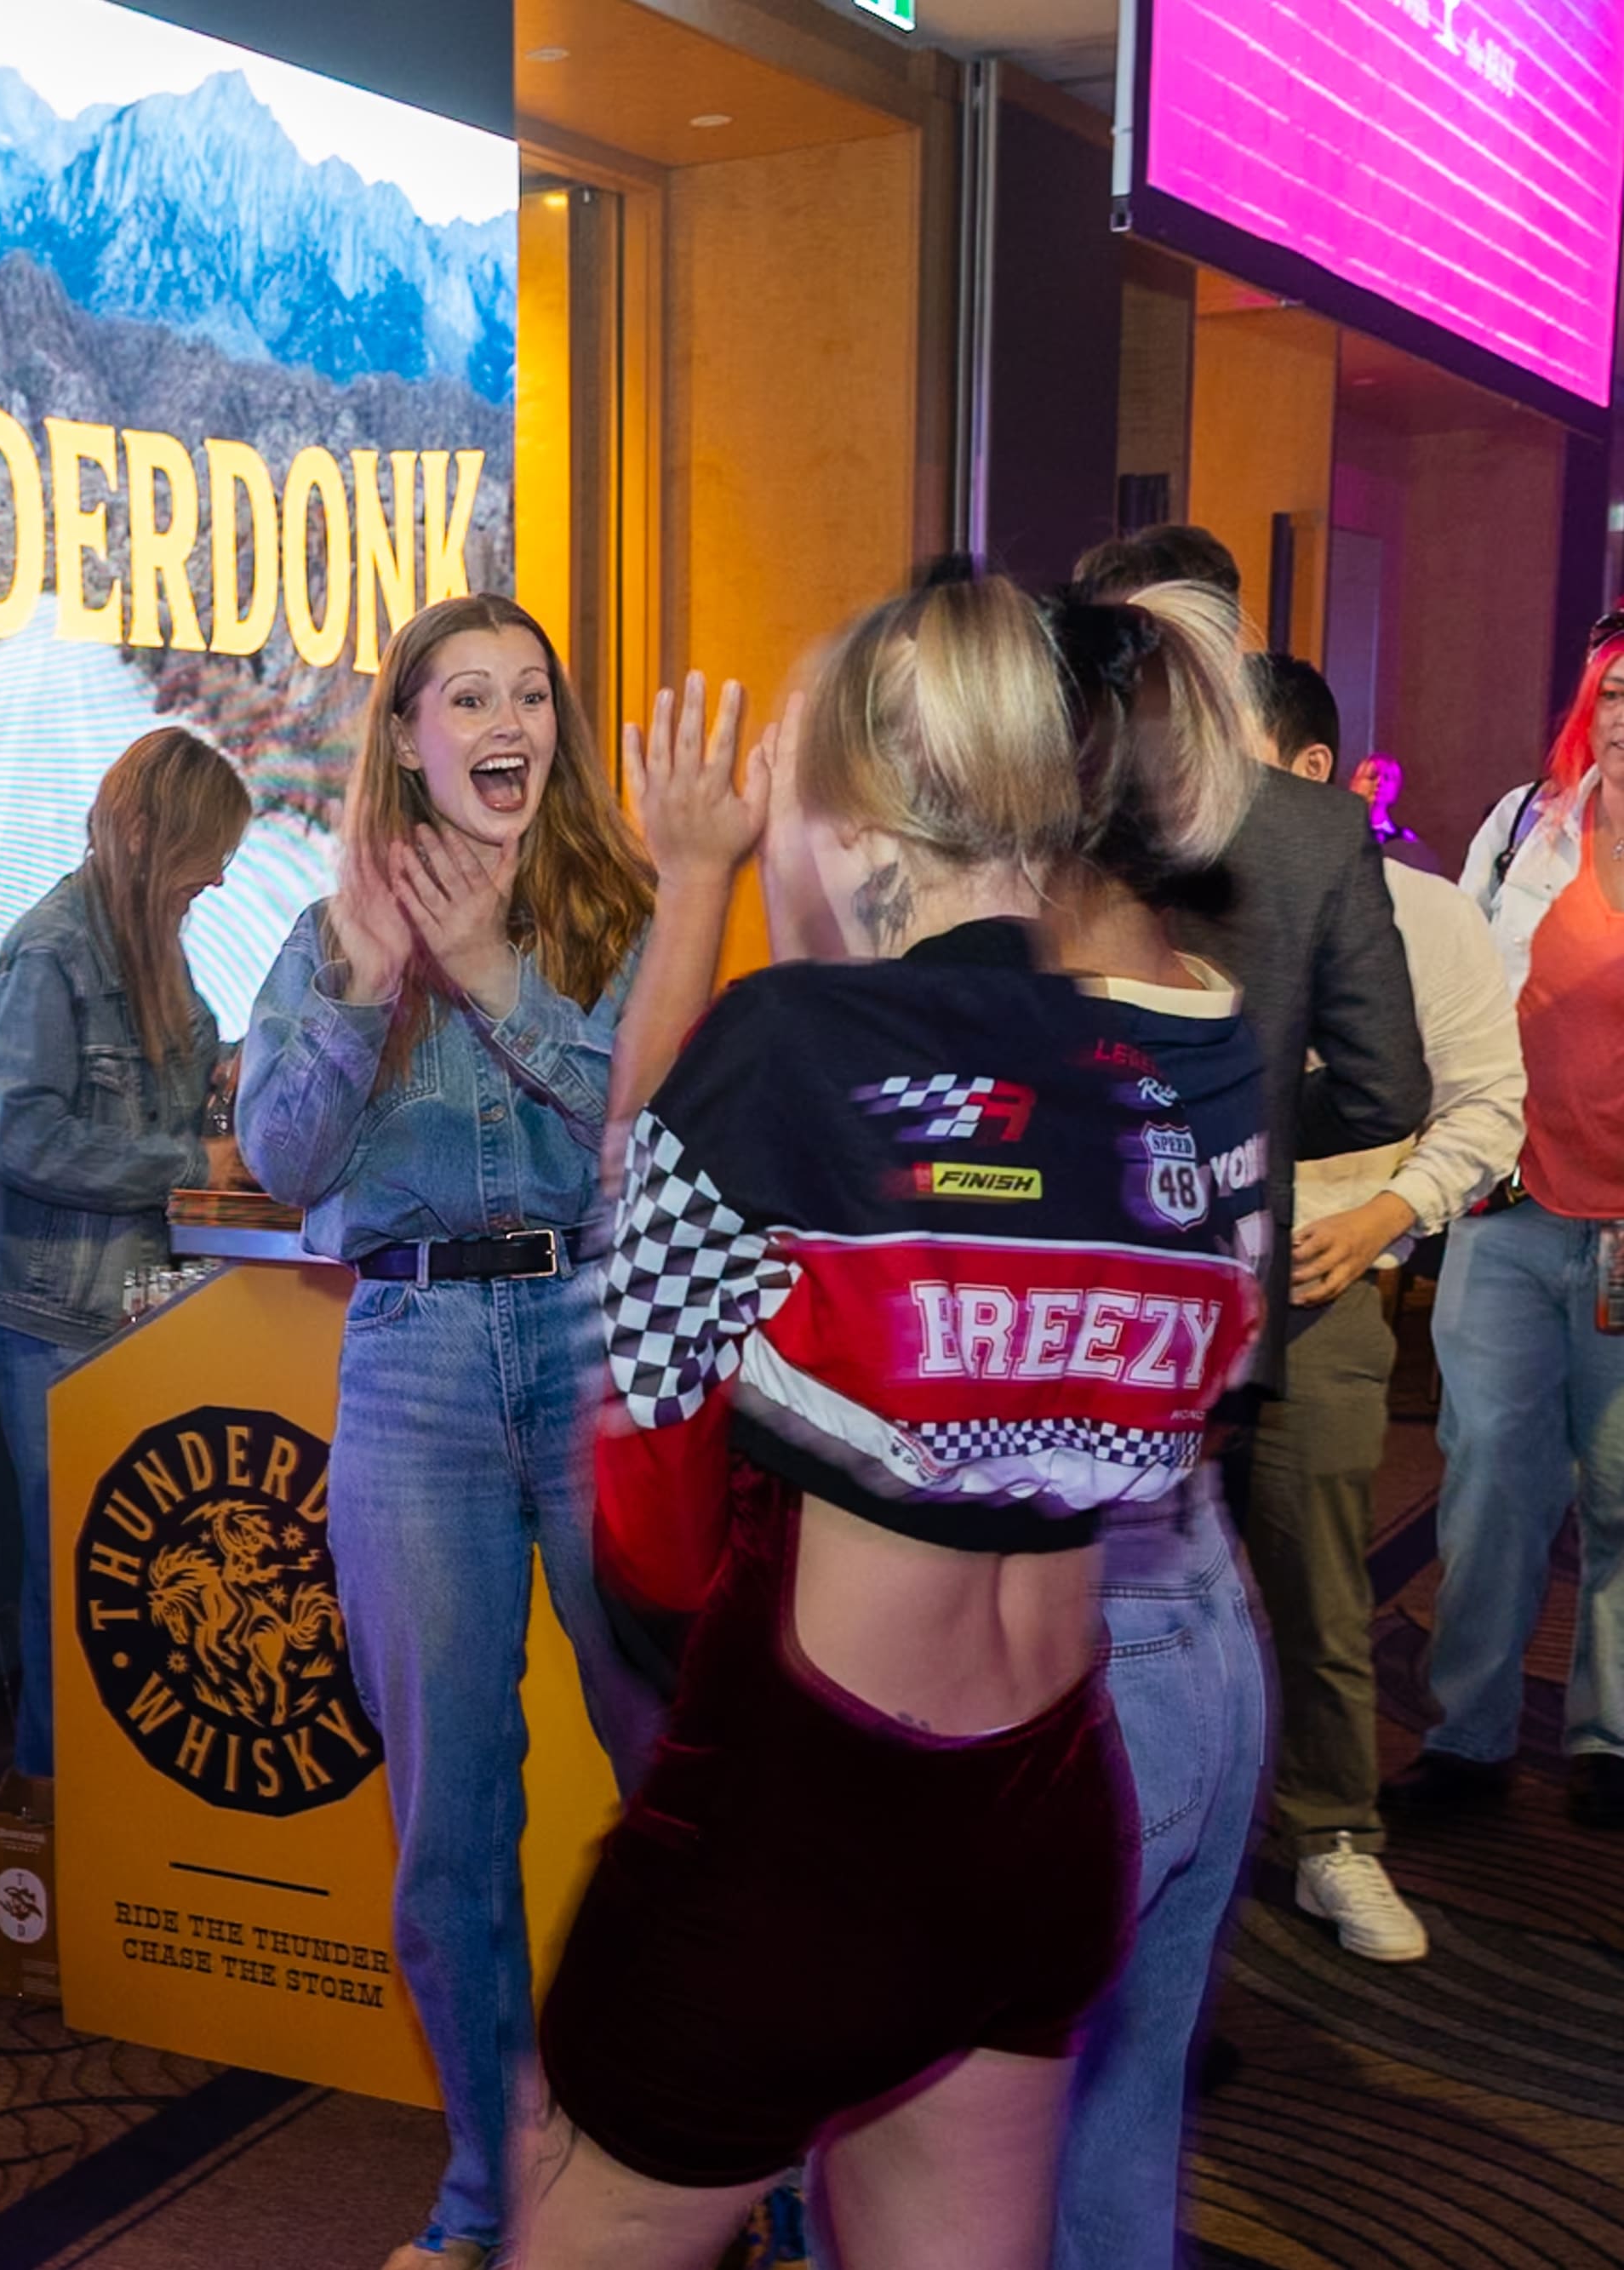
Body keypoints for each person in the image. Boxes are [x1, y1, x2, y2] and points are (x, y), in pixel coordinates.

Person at [518, 575, 1262, 2267]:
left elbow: (643, 1513)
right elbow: (1178, 1409)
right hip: (1054, 1817)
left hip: (808, 1825)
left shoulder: (783, 1043)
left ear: (860, 824)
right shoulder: (1162, 1079)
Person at [236, 592, 668, 2270]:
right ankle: (493, 2182)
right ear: (408, 738)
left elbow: (656, 1130)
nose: (506, 722)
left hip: (598, 1343)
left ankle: (740, 2153)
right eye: (467, 696)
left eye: (529, 695)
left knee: (675, 1771)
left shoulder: (622, 908)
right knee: (448, 1828)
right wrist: (362, 986)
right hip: (409, 1360)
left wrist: (492, 972)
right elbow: (280, 1161)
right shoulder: (326, 928)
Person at [1026, 586, 1282, 2267]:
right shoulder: (1206, 1003)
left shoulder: (1042, 1049)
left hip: (1086, 1636)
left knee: (954, 2158)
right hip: (1197, 1612)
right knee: (1113, 2144)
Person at [1229, 654, 1519, 1951]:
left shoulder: (1422, 912)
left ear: (1311, 775)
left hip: (1324, 1283)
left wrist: (1381, 1217)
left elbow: (1485, 1104)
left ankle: (1333, 1833)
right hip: (1165, 1298)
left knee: (1320, 1583)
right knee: (1144, 1590)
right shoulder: (1151, 896)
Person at [1072, 527, 1431, 1398]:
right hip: (1225, 1280)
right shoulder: (1316, 829)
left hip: (1055, 1275)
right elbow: (1385, 1087)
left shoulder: (1046, 811)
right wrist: (1249, 1120)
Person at [0, 727, 251, 1801]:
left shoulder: (148, 937)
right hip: (55, 1319)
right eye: (205, 853)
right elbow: (23, 1141)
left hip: (136, 1309)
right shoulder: (50, 955)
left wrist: (237, 1079)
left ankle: (121, 1810)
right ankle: (52, 1806)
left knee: (132, 1572)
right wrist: (190, 1164)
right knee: (72, 1575)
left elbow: (187, 1070)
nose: (216, 879)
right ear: (148, 835)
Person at [1388, 612, 1624, 1833]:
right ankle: (1467, 1736)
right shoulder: (1525, 825)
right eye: (1614, 693)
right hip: (1509, 1209)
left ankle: (1611, 1739)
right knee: (1488, 1487)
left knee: (1623, 1498)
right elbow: (1461, 996)